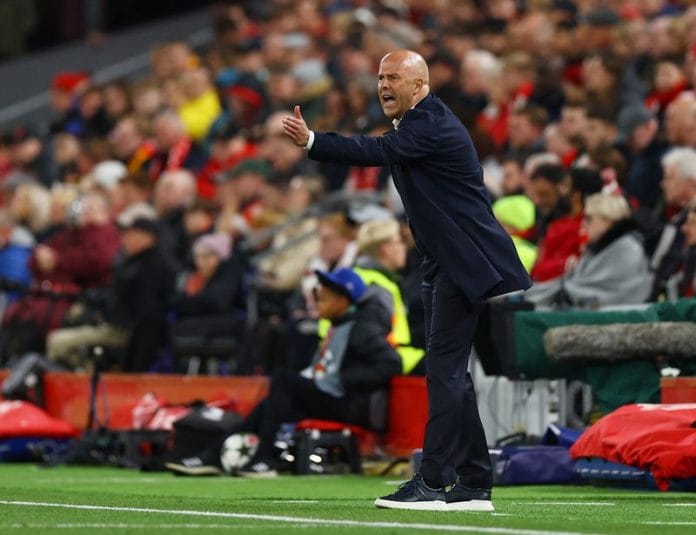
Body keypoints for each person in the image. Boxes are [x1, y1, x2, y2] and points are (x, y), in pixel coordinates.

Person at [283, 49, 531, 512]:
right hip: (443, 263)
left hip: (462, 264)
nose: (383, 85)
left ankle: (433, 483)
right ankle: (474, 482)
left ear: (419, 85)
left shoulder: (429, 123)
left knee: (444, 373)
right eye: (380, 77)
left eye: (394, 77)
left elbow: (377, 152)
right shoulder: (417, 123)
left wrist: (314, 141)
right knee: (453, 376)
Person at [165, 267, 401, 477]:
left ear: (343, 300)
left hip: (349, 403)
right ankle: (219, 456)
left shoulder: (362, 328)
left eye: (324, 295)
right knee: (269, 405)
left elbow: (391, 364)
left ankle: (262, 457)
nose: (317, 299)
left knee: (283, 380)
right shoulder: (339, 325)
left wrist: (344, 380)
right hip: (332, 396)